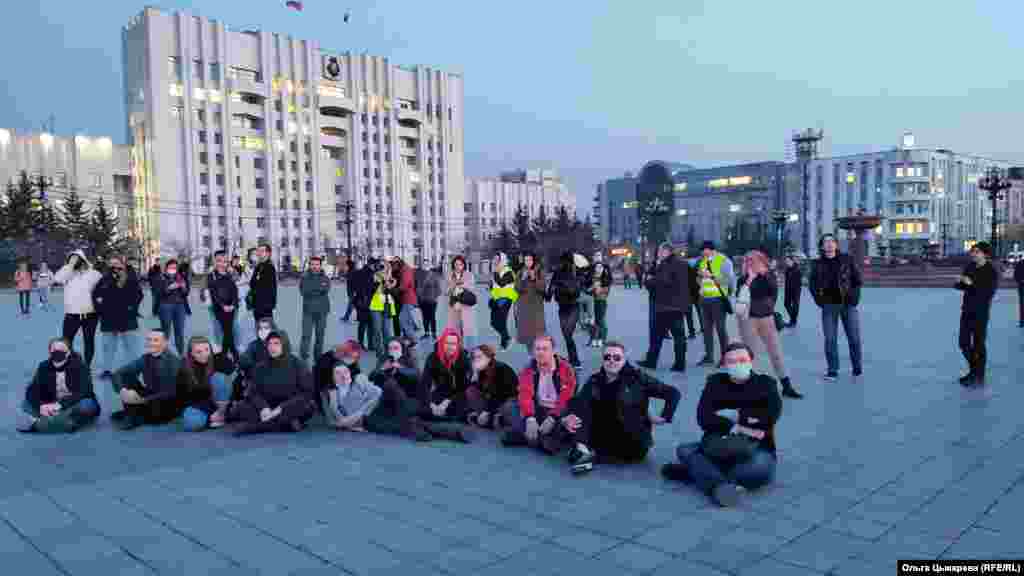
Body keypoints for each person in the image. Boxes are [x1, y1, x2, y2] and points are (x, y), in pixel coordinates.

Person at [661, 342, 782, 508]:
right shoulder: (715, 383)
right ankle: (719, 486)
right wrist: (740, 426)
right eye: (731, 361)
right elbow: (703, 418)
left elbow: (769, 417)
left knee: (756, 471)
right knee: (683, 449)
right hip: (718, 441)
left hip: (757, 447)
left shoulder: (766, 384)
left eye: (742, 359)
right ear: (724, 364)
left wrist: (735, 414)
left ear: (751, 360)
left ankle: (698, 472)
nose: (738, 364)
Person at [560, 341, 680, 472]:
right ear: (603, 360)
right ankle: (582, 446)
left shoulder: (638, 378)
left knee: (570, 437)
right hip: (605, 431)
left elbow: (673, 393)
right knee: (579, 403)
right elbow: (578, 403)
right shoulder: (595, 379)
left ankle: (585, 449)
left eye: (617, 357)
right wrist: (567, 417)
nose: (612, 361)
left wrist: (664, 417)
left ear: (624, 359)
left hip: (631, 440)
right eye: (607, 357)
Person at [735, 250, 802, 399]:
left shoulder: (769, 276)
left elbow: (772, 291)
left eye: (754, 261)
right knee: (750, 355)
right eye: (748, 261)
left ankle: (787, 386)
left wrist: (763, 274)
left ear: (762, 262)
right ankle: (748, 387)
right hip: (748, 320)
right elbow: (741, 296)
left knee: (776, 353)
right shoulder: (743, 279)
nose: (751, 264)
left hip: (767, 319)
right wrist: (750, 279)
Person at [500, 335, 576, 452]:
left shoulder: (566, 369)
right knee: (509, 406)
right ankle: (543, 438)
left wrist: (553, 417)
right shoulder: (528, 369)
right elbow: (525, 394)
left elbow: (566, 397)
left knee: (570, 421)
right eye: (537, 349)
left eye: (545, 349)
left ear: (553, 351)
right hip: (538, 409)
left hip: (559, 410)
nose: (540, 352)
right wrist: (530, 418)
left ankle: (527, 436)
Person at [232, 331, 316, 435]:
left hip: (288, 406)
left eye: (276, 343)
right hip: (267, 407)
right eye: (269, 344)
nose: (272, 347)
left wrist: (280, 408)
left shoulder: (297, 364)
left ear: (284, 345)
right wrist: (263, 408)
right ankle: (286, 425)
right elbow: (253, 392)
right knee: (239, 408)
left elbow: (306, 393)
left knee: (309, 406)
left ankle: (254, 427)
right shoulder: (260, 367)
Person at [807, 233, 863, 381]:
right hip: (829, 306)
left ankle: (857, 368)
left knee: (854, 338)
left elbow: (857, 280)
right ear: (822, 246)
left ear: (836, 244)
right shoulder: (817, 264)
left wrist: (854, 299)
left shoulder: (847, 259)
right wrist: (820, 301)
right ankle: (833, 370)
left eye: (832, 241)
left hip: (848, 304)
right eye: (826, 242)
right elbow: (811, 284)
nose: (829, 244)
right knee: (830, 339)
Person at [16, 338, 101, 433]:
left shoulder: (80, 366)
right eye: (54, 350)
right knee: (26, 403)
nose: (57, 352)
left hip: (74, 403)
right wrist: (41, 406)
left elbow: (85, 391)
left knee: (86, 405)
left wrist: (59, 405)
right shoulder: (44, 366)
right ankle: (60, 421)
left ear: (68, 353)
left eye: (61, 349)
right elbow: (32, 389)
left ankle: (48, 421)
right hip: (52, 404)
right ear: (50, 352)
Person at [110, 330, 183, 430]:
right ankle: (133, 413)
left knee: (157, 414)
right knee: (126, 377)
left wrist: (142, 400)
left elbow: (171, 391)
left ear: (165, 343)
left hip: (168, 401)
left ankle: (133, 415)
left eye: (156, 340)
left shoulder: (173, 361)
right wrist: (123, 391)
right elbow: (118, 373)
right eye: (149, 340)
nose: (151, 343)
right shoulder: (145, 358)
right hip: (150, 395)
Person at [639, 243, 689, 372]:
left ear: (667, 251)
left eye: (660, 251)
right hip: (679, 306)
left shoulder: (666, 264)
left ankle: (651, 362)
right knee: (679, 337)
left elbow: (661, 282)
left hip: (664, 306)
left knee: (656, 336)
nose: (658, 254)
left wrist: (648, 281)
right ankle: (680, 363)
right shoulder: (683, 264)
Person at [93, 255, 144, 380]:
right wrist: (101, 310)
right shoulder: (104, 279)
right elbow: (96, 295)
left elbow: (138, 295)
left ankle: (134, 369)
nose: (115, 268)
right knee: (108, 347)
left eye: (117, 265)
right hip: (109, 318)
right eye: (112, 265)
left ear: (122, 265)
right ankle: (107, 370)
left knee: (131, 346)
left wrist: (132, 308)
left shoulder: (131, 278)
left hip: (127, 318)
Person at [955, 242, 999, 387]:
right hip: (966, 310)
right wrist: (959, 282)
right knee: (963, 343)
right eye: (973, 251)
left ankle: (977, 375)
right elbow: (962, 286)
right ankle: (976, 372)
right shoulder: (970, 267)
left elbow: (987, 293)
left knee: (979, 345)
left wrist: (971, 283)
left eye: (977, 252)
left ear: (985, 254)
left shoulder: (991, 271)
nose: (974, 254)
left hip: (981, 312)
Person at [54, 250, 104, 368]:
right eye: (70, 259)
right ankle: (68, 363)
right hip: (72, 314)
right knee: (66, 341)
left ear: (82, 260)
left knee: (89, 341)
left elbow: (103, 289)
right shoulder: (67, 273)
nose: (73, 262)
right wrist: (70, 265)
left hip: (90, 314)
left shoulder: (94, 274)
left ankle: (87, 365)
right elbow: (57, 279)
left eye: (75, 259)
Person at [177, 336, 231, 431]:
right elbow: (183, 397)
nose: (204, 354)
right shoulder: (184, 369)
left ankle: (221, 414)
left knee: (219, 378)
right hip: (200, 404)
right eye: (199, 352)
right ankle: (215, 418)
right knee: (191, 423)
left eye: (207, 350)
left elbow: (230, 368)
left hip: (220, 402)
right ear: (191, 354)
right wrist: (209, 412)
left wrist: (219, 353)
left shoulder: (215, 359)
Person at [696, 241, 735, 367]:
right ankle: (709, 356)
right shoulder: (703, 261)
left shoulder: (724, 260)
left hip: (718, 300)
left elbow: (729, 280)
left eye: (704, 250)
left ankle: (725, 357)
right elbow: (699, 279)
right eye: (702, 251)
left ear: (711, 249)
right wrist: (700, 278)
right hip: (704, 299)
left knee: (720, 329)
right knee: (706, 330)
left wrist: (711, 275)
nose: (703, 253)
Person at [464, 344, 518, 429]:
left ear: (489, 357)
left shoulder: (501, 369)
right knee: (470, 390)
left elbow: (500, 394)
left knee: (507, 407)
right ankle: (489, 419)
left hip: (506, 400)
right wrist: (474, 375)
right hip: (492, 401)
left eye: (479, 357)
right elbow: (480, 390)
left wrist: (487, 411)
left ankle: (493, 419)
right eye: (474, 357)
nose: (476, 360)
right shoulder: (481, 370)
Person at [546, 251, 583, 368]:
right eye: (563, 262)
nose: (564, 264)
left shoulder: (576, 273)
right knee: (567, 336)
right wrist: (546, 293)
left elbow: (577, 292)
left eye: (566, 261)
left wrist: (561, 287)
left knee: (567, 335)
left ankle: (575, 360)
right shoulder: (557, 274)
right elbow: (549, 293)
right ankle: (573, 359)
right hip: (562, 308)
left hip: (573, 307)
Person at [313, 339, 364, 415]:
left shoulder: (350, 362)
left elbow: (358, 377)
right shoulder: (325, 362)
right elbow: (320, 388)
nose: (354, 361)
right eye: (352, 357)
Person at [205, 250, 240, 358]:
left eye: (224, 261)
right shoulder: (212, 275)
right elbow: (213, 293)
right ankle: (233, 352)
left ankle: (224, 354)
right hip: (219, 308)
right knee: (227, 330)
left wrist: (233, 304)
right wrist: (223, 306)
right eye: (219, 261)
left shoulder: (230, 274)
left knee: (228, 331)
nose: (222, 263)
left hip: (231, 307)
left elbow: (235, 291)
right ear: (215, 261)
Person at [299, 256, 332, 362]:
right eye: (312, 264)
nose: (315, 266)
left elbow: (326, 289)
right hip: (308, 311)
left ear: (320, 265)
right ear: (310, 265)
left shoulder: (325, 278)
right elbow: (304, 291)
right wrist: (318, 289)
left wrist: (313, 289)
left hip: (322, 311)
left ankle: (318, 357)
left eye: (317, 264)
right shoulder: (304, 277)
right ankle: (303, 357)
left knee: (320, 336)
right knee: (306, 335)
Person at [155, 258, 191, 355]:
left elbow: (186, 293)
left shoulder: (180, 277)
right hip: (166, 306)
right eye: (171, 267)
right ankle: (163, 355)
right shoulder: (161, 277)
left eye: (175, 267)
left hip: (180, 307)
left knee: (179, 332)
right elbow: (158, 293)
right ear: (166, 268)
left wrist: (183, 287)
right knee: (165, 331)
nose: (173, 269)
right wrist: (169, 288)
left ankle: (181, 355)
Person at [515, 252, 547, 354]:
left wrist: (534, 279)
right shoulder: (520, 272)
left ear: (533, 260)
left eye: (529, 260)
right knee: (528, 337)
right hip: (524, 307)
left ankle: (538, 357)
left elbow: (542, 287)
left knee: (538, 336)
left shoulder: (540, 272)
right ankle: (532, 357)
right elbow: (517, 289)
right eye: (526, 260)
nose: (527, 262)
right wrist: (523, 279)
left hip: (536, 307)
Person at [368, 259, 398, 355]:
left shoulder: (392, 279)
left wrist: (389, 282)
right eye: (380, 266)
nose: (382, 268)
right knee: (377, 329)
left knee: (387, 331)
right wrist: (379, 279)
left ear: (388, 268)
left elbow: (392, 291)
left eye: (384, 266)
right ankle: (379, 351)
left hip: (387, 306)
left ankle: (388, 350)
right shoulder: (374, 276)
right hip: (375, 306)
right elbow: (371, 288)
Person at [489, 253, 518, 350]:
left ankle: (504, 342)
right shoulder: (496, 271)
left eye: (498, 259)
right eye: (495, 259)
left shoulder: (508, 271)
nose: (495, 261)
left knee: (501, 321)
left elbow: (502, 283)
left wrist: (495, 273)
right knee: (493, 322)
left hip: (506, 299)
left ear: (503, 260)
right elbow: (494, 286)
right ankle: (506, 338)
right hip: (497, 299)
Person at [446, 255, 477, 347]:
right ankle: (459, 348)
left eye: (460, 264)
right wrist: (453, 286)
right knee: (455, 329)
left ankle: (469, 349)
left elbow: (471, 287)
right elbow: (446, 291)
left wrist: (460, 285)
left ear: (464, 265)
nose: (458, 266)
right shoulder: (449, 275)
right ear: (453, 265)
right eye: (456, 264)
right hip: (454, 307)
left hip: (465, 306)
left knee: (467, 329)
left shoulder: (469, 275)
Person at [250, 243, 278, 324]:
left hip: (265, 305)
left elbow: (268, 287)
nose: (259, 253)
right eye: (258, 251)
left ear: (268, 253)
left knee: (267, 329)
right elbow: (252, 283)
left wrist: (270, 304)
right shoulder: (258, 266)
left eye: (262, 251)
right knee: (258, 328)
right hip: (257, 304)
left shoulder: (269, 267)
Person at [417, 265, 443, 341]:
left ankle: (434, 333)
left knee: (432, 317)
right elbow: (418, 288)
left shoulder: (434, 277)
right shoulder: (420, 277)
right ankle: (426, 333)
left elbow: (439, 290)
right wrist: (419, 296)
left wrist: (433, 297)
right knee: (425, 317)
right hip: (423, 301)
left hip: (432, 301)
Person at [589, 262, 612, 348]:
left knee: (601, 320)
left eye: (600, 267)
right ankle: (597, 338)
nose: (598, 269)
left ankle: (602, 339)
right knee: (597, 320)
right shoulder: (595, 278)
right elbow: (592, 290)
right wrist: (592, 289)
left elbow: (606, 290)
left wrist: (600, 290)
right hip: (596, 300)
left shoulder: (605, 278)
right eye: (596, 267)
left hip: (602, 300)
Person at [395, 257, 418, 340]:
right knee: (407, 320)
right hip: (406, 299)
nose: (395, 266)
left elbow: (404, 285)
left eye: (395, 264)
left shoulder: (406, 270)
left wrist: (394, 290)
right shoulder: (404, 269)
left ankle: (413, 338)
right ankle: (407, 337)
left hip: (408, 299)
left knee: (402, 319)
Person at [685, 258, 703, 339]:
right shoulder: (698, 270)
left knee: (689, 314)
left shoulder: (684, 270)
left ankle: (692, 332)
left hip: (688, 294)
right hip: (697, 293)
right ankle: (703, 327)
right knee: (700, 311)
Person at [783, 255, 802, 327]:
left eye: (788, 261)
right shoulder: (788, 269)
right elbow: (787, 280)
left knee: (795, 306)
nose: (786, 262)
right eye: (786, 261)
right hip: (788, 290)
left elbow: (799, 282)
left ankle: (793, 321)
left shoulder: (797, 269)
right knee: (786, 304)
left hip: (795, 290)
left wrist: (796, 292)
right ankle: (793, 319)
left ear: (792, 261)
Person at [341, 258, 358, 323]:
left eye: (346, 265)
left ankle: (346, 317)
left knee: (351, 305)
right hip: (351, 291)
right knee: (355, 305)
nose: (345, 266)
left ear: (348, 265)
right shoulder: (351, 271)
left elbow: (354, 282)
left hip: (353, 292)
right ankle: (360, 317)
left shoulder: (352, 272)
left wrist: (355, 292)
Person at [1015, 258, 1024, 328]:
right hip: (1022, 287)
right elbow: (1016, 275)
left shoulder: (1020, 263)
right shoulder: (1020, 263)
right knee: (1022, 304)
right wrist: (1021, 280)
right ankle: (1022, 321)